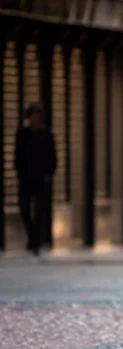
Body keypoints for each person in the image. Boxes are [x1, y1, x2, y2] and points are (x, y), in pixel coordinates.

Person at [14, 102, 57, 256]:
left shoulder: (47, 135)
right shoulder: (22, 135)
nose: (34, 118)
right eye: (32, 115)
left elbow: (52, 158)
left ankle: (36, 241)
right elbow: (17, 155)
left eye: (37, 115)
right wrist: (19, 172)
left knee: (39, 211)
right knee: (24, 208)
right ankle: (33, 238)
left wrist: (48, 175)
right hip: (26, 178)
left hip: (41, 179)